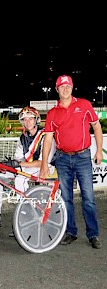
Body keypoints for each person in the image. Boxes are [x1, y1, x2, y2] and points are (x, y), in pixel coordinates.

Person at [40, 75, 103, 249]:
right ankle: (70, 232)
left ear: (72, 87)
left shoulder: (84, 105)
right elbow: (48, 140)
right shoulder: (52, 113)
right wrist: (44, 164)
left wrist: (98, 150)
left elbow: (96, 126)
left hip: (83, 157)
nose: (65, 89)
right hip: (62, 159)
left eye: (68, 86)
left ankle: (93, 234)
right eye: (62, 86)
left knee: (88, 198)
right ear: (57, 89)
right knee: (66, 198)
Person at [0, 106, 56, 236]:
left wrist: (17, 164)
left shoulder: (46, 136)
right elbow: (18, 160)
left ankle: (23, 218)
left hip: (45, 168)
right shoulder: (22, 138)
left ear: (37, 120)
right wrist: (7, 165)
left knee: (20, 179)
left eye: (30, 119)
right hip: (28, 167)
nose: (27, 122)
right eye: (24, 119)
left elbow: (42, 163)